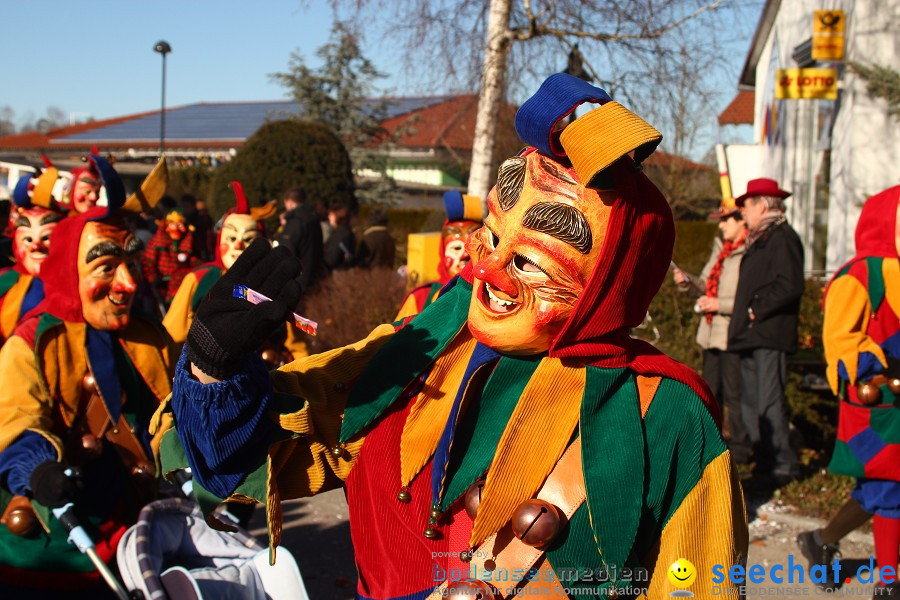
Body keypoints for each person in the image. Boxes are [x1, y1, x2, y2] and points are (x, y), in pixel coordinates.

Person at [156, 74, 746, 599]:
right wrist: (214, 370)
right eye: (492, 235)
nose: (487, 271)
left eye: (530, 263)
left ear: (608, 288)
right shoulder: (422, 344)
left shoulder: (667, 420)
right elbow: (268, 455)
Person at [0, 157, 173, 595]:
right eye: (106, 268)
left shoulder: (148, 337)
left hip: (132, 531)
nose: (127, 284)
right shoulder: (32, 343)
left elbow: (178, 409)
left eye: (131, 266)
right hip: (50, 546)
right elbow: (14, 418)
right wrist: (37, 469)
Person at [798, 185, 900, 597]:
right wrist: (878, 364)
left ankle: (820, 541)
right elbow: (840, 342)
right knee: (889, 488)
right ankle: (889, 583)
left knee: (882, 488)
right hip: (877, 404)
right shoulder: (858, 275)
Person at [163, 182, 307, 365]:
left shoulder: (275, 285)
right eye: (231, 238)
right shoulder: (198, 280)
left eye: (248, 239)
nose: (238, 246)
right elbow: (171, 337)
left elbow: (297, 348)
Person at [728, 177, 805, 486]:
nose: (742, 212)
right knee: (751, 403)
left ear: (761, 204)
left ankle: (783, 466)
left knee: (768, 400)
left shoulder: (782, 237)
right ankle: (765, 463)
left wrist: (755, 309)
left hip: (768, 334)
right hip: (751, 335)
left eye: (745, 205)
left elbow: (790, 284)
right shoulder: (761, 237)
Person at [673, 197, 752, 466]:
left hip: (733, 334)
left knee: (735, 394)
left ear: (741, 221)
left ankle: (741, 449)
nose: (721, 227)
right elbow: (706, 284)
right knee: (711, 391)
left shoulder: (749, 253)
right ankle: (714, 444)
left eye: (726, 220)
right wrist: (688, 281)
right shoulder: (722, 250)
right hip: (711, 333)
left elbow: (749, 298)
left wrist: (721, 304)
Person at [0, 161, 64, 344]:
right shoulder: (5, 281)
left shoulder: (72, 284)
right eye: (27, 239)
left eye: (46, 238)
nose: (36, 246)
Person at [395, 189, 483, 320]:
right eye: (456, 248)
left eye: (473, 248)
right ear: (443, 252)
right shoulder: (421, 298)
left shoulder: (496, 299)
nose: (465, 255)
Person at [142, 207, 202, 306]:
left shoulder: (189, 242)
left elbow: (194, 260)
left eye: (179, 225)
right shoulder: (157, 242)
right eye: (172, 224)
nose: (175, 228)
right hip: (161, 284)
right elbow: (149, 261)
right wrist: (153, 278)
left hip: (182, 284)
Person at [274, 188, 325, 289]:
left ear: (288, 202)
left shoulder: (295, 223)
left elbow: (285, 253)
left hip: (297, 282)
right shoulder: (313, 220)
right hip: (314, 277)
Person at [322, 201, 355, 270]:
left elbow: (332, 258)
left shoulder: (340, 234)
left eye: (331, 215)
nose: (328, 217)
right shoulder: (345, 231)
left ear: (338, 216)